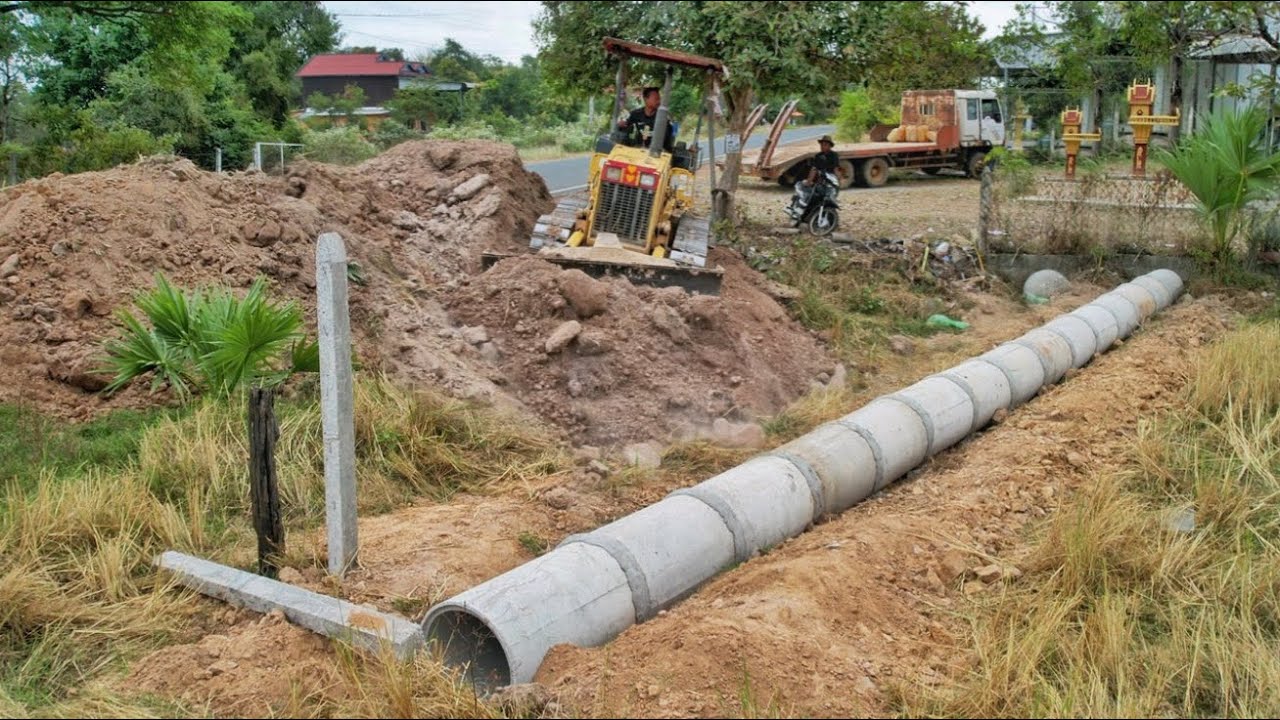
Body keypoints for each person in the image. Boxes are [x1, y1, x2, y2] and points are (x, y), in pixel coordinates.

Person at [618, 86, 675, 153]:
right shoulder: (635, 114)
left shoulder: (663, 118)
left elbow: (667, 143)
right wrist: (620, 125)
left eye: (659, 99)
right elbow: (624, 126)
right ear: (645, 99)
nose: (659, 101)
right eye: (656, 99)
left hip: (655, 153)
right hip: (636, 151)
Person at [794, 135, 840, 211]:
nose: (822, 146)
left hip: (830, 181)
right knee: (806, 189)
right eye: (821, 144)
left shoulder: (834, 155)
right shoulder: (818, 156)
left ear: (829, 146)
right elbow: (814, 169)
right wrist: (809, 181)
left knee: (829, 198)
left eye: (825, 145)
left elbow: (836, 169)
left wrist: (838, 182)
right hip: (820, 180)